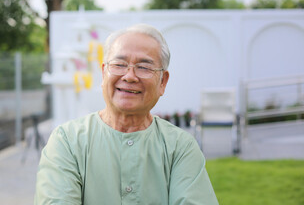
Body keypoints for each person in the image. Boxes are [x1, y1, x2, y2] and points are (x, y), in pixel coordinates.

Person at [35, 24, 219, 205]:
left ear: (163, 81)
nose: (129, 76)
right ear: (103, 73)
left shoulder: (180, 148)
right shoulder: (67, 141)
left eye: (144, 67)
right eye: (119, 64)